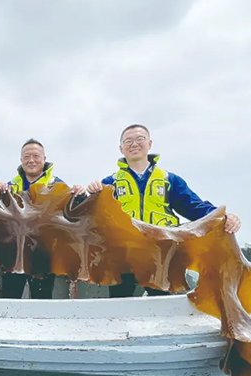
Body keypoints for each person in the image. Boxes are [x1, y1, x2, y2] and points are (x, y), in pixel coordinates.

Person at [81, 124, 242, 297]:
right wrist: (90, 193)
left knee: (165, 305)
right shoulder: (108, 183)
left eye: (139, 139)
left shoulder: (170, 180)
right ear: (121, 148)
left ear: (149, 144)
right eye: (128, 141)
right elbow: (91, 217)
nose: (134, 144)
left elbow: (195, 207)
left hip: (162, 255)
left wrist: (223, 217)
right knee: (120, 305)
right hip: (124, 256)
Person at [0, 138, 73, 299]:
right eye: (26, 157)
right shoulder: (10, 186)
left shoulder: (58, 186)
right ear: (21, 160)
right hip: (14, 255)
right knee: (10, 300)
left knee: (42, 301)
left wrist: (80, 194)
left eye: (36, 156)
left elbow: (70, 215)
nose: (31, 160)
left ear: (44, 159)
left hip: (43, 254)